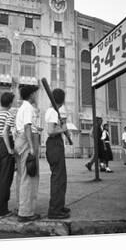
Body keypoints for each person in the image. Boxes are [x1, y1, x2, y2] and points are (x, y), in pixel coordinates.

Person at [14, 85, 41, 223]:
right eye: (35, 94)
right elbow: (27, 126)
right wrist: (31, 147)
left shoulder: (22, 108)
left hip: (20, 140)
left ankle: (21, 207)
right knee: (28, 177)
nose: (36, 96)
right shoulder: (28, 108)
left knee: (21, 175)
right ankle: (25, 212)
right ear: (31, 95)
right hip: (27, 141)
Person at [45, 88, 72, 219]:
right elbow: (50, 131)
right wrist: (63, 129)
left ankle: (59, 206)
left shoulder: (53, 111)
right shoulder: (52, 112)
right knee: (58, 178)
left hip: (55, 145)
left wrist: (62, 128)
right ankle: (54, 210)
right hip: (54, 144)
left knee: (61, 178)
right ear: (61, 100)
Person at [0, 92, 16, 217]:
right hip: (5, 145)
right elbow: (6, 133)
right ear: (10, 103)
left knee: (0, 176)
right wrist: (10, 149)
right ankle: (1, 209)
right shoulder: (9, 114)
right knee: (6, 178)